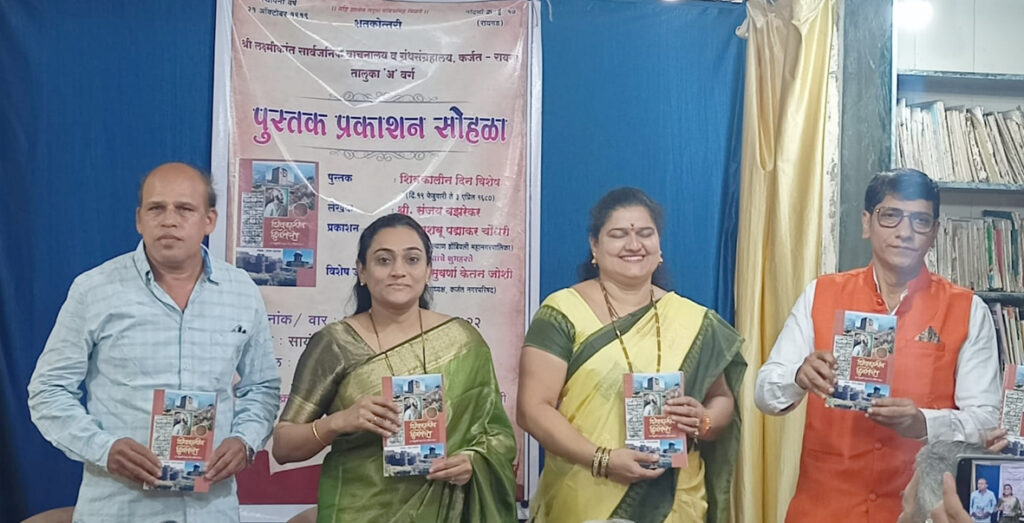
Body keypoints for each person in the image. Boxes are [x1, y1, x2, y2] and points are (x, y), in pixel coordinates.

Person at [27, 162, 281, 522]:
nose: (169, 220)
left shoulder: (242, 292)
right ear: (139, 219)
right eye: (156, 208)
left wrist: (245, 441)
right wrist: (104, 449)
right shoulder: (94, 290)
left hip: (211, 510)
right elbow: (48, 390)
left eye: (185, 209)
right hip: (120, 508)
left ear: (209, 220)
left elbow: (263, 387)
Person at [754, 168, 1001, 522]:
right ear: (866, 223)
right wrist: (798, 376)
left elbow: (986, 422)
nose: (905, 232)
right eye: (891, 216)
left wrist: (923, 422)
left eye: (920, 220)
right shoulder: (820, 293)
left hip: (918, 512)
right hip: (824, 508)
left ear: (934, 232)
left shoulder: (967, 309)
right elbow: (764, 393)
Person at [517, 187, 746, 522]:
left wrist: (703, 420)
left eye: (645, 233)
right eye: (618, 234)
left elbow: (721, 399)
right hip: (586, 494)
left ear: (659, 246)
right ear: (595, 246)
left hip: (675, 500)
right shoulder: (563, 311)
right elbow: (532, 409)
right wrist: (602, 459)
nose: (634, 244)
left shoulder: (693, 319)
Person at [271, 213, 516, 522]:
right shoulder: (336, 343)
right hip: (358, 511)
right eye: (383, 260)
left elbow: (498, 435)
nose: (398, 271)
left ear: (428, 271)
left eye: (412, 259)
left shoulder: (463, 341)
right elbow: (283, 447)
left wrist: (473, 462)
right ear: (362, 271)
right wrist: (340, 422)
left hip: (445, 509)